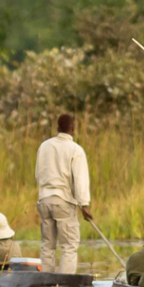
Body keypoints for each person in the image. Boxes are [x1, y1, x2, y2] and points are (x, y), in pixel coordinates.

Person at [33, 112, 91, 275]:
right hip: (63, 202)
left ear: (57, 128)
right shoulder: (75, 150)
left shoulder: (44, 146)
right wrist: (84, 205)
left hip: (44, 200)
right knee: (69, 245)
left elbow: (38, 174)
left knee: (47, 246)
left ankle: (46, 284)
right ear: (72, 129)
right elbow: (80, 179)